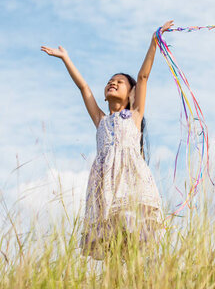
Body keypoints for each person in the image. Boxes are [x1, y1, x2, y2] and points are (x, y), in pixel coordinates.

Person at [41, 20, 174, 260]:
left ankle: (136, 277)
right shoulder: (100, 119)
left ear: (131, 94)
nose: (112, 83)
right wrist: (65, 58)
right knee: (111, 241)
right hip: (106, 184)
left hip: (130, 180)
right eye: (110, 81)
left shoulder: (134, 115)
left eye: (119, 82)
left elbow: (143, 77)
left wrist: (153, 42)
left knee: (131, 234)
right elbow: (84, 88)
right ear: (104, 95)